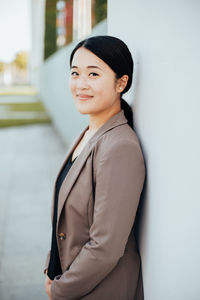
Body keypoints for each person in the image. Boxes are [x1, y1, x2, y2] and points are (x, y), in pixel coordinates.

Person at [44, 35, 146, 300]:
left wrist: (60, 289)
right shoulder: (88, 134)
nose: (81, 84)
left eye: (93, 74)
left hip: (103, 290)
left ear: (121, 83)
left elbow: (106, 248)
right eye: (75, 73)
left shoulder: (120, 148)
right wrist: (51, 268)